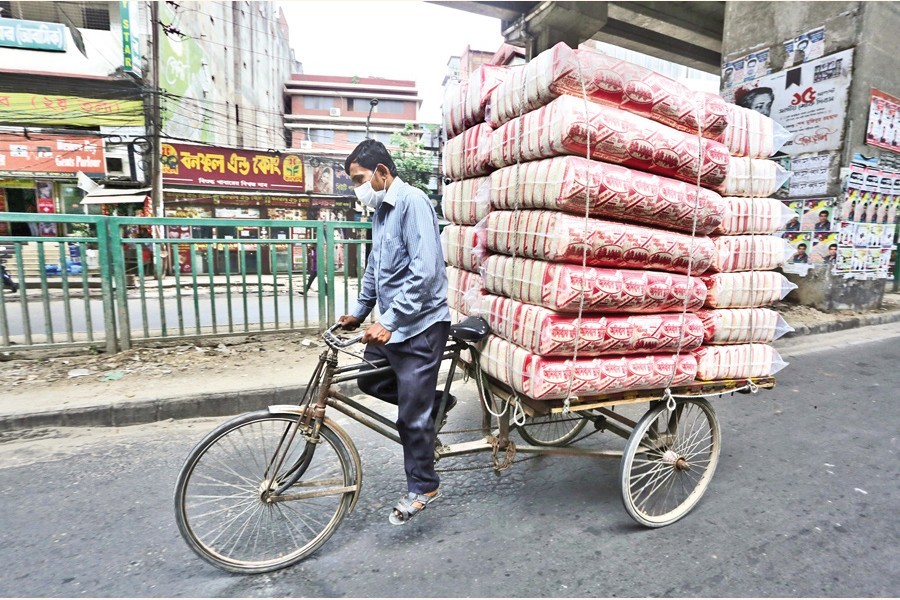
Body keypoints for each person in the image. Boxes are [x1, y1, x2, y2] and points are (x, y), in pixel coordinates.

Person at [337, 139, 452, 526]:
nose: (357, 188)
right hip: (393, 324)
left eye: (359, 179)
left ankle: (425, 486)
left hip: (420, 325)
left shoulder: (413, 202)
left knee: (410, 417)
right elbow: (376, 266)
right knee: (369, 380)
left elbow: (425, 271)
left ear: (382, 173)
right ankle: (433, 405)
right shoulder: (381, 212)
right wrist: (359, 311)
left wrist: (388, 321)